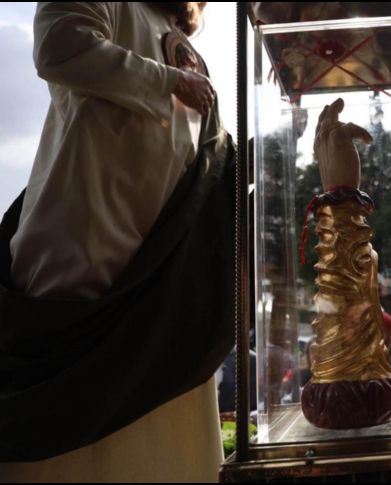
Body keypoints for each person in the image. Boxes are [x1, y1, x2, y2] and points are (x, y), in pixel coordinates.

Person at [0, 3, 233, 481]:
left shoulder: (179, 38)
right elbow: (60, 45)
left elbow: (205, 162)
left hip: (166, 282)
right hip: (85, 266)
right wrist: (169, 81)